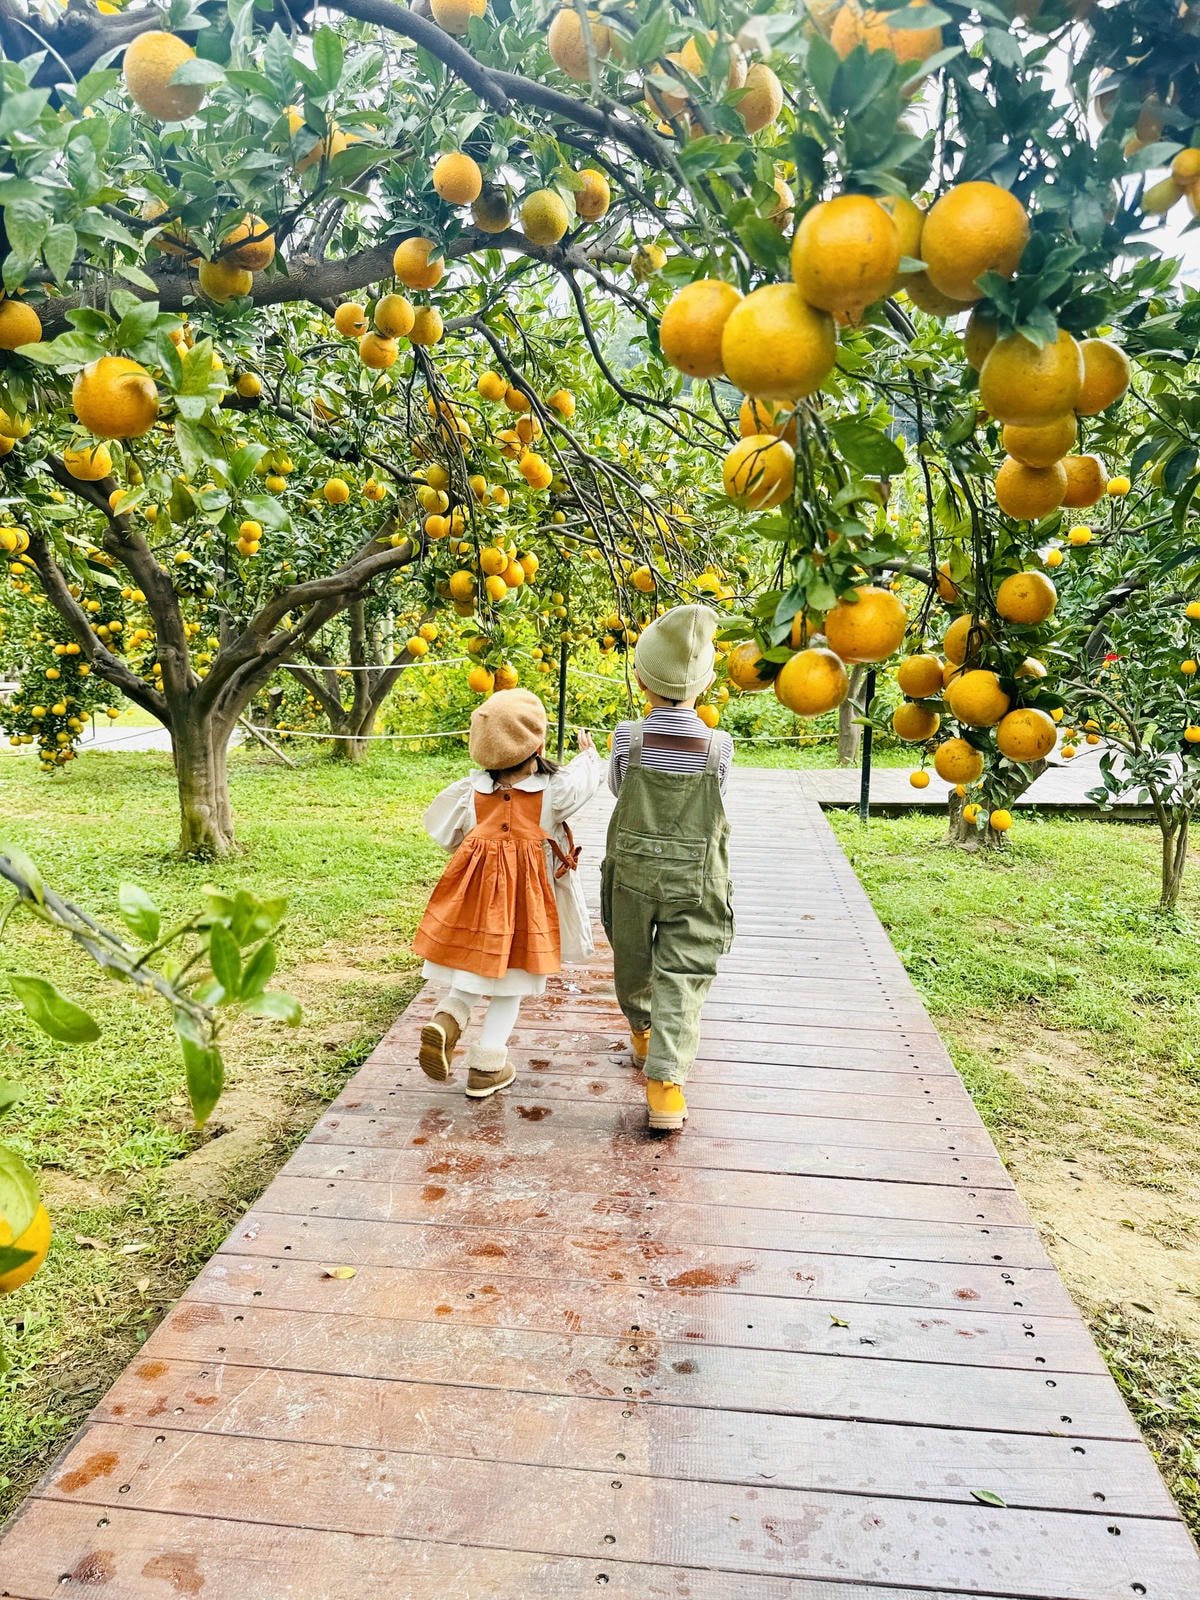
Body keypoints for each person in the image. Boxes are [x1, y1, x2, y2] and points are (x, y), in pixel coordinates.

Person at [414, 688, 600, 1097]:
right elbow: (586, 782)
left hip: (477, 900)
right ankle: (486, 1067)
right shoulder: (554, 791)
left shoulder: (470, 791)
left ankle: (446, 1020)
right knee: (511, 982)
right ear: (538, 743)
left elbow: (445, 832)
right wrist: (589, 756)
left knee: (473, 968)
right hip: (526, 908)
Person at [602, 604, 735, 1132]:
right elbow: (716, 797)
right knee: (683, 974)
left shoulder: (624, 739)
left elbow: (619, 790)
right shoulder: (718, 745)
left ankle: (642, 1033)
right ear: (704, 684)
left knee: (633, 959)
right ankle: (665, 1089)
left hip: (634, 872)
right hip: (697, 877)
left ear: (640, 678)